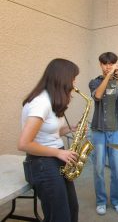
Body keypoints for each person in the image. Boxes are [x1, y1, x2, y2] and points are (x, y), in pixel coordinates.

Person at [18, 58, 80, 222]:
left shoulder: (52, 101)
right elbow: (24, 144)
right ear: (63, 78)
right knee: (59, 216)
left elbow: (49, 133)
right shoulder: (40, 103)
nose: (74, 83)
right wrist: (59, 153)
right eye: (73, 78)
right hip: (42, 164)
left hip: (55, 158)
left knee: (72, 209)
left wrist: (70, 129)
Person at [89, 52, 118, 215]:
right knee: (98, 168)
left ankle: (117, 200)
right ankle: (101, 201)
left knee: (117, 169)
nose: (108, 66)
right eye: (105, 64)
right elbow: (98, 96)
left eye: (111, 63)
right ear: (100, 65)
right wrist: (108, 76)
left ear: (115, 64)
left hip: (117, 132)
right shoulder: (94, 82)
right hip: (98, 130)